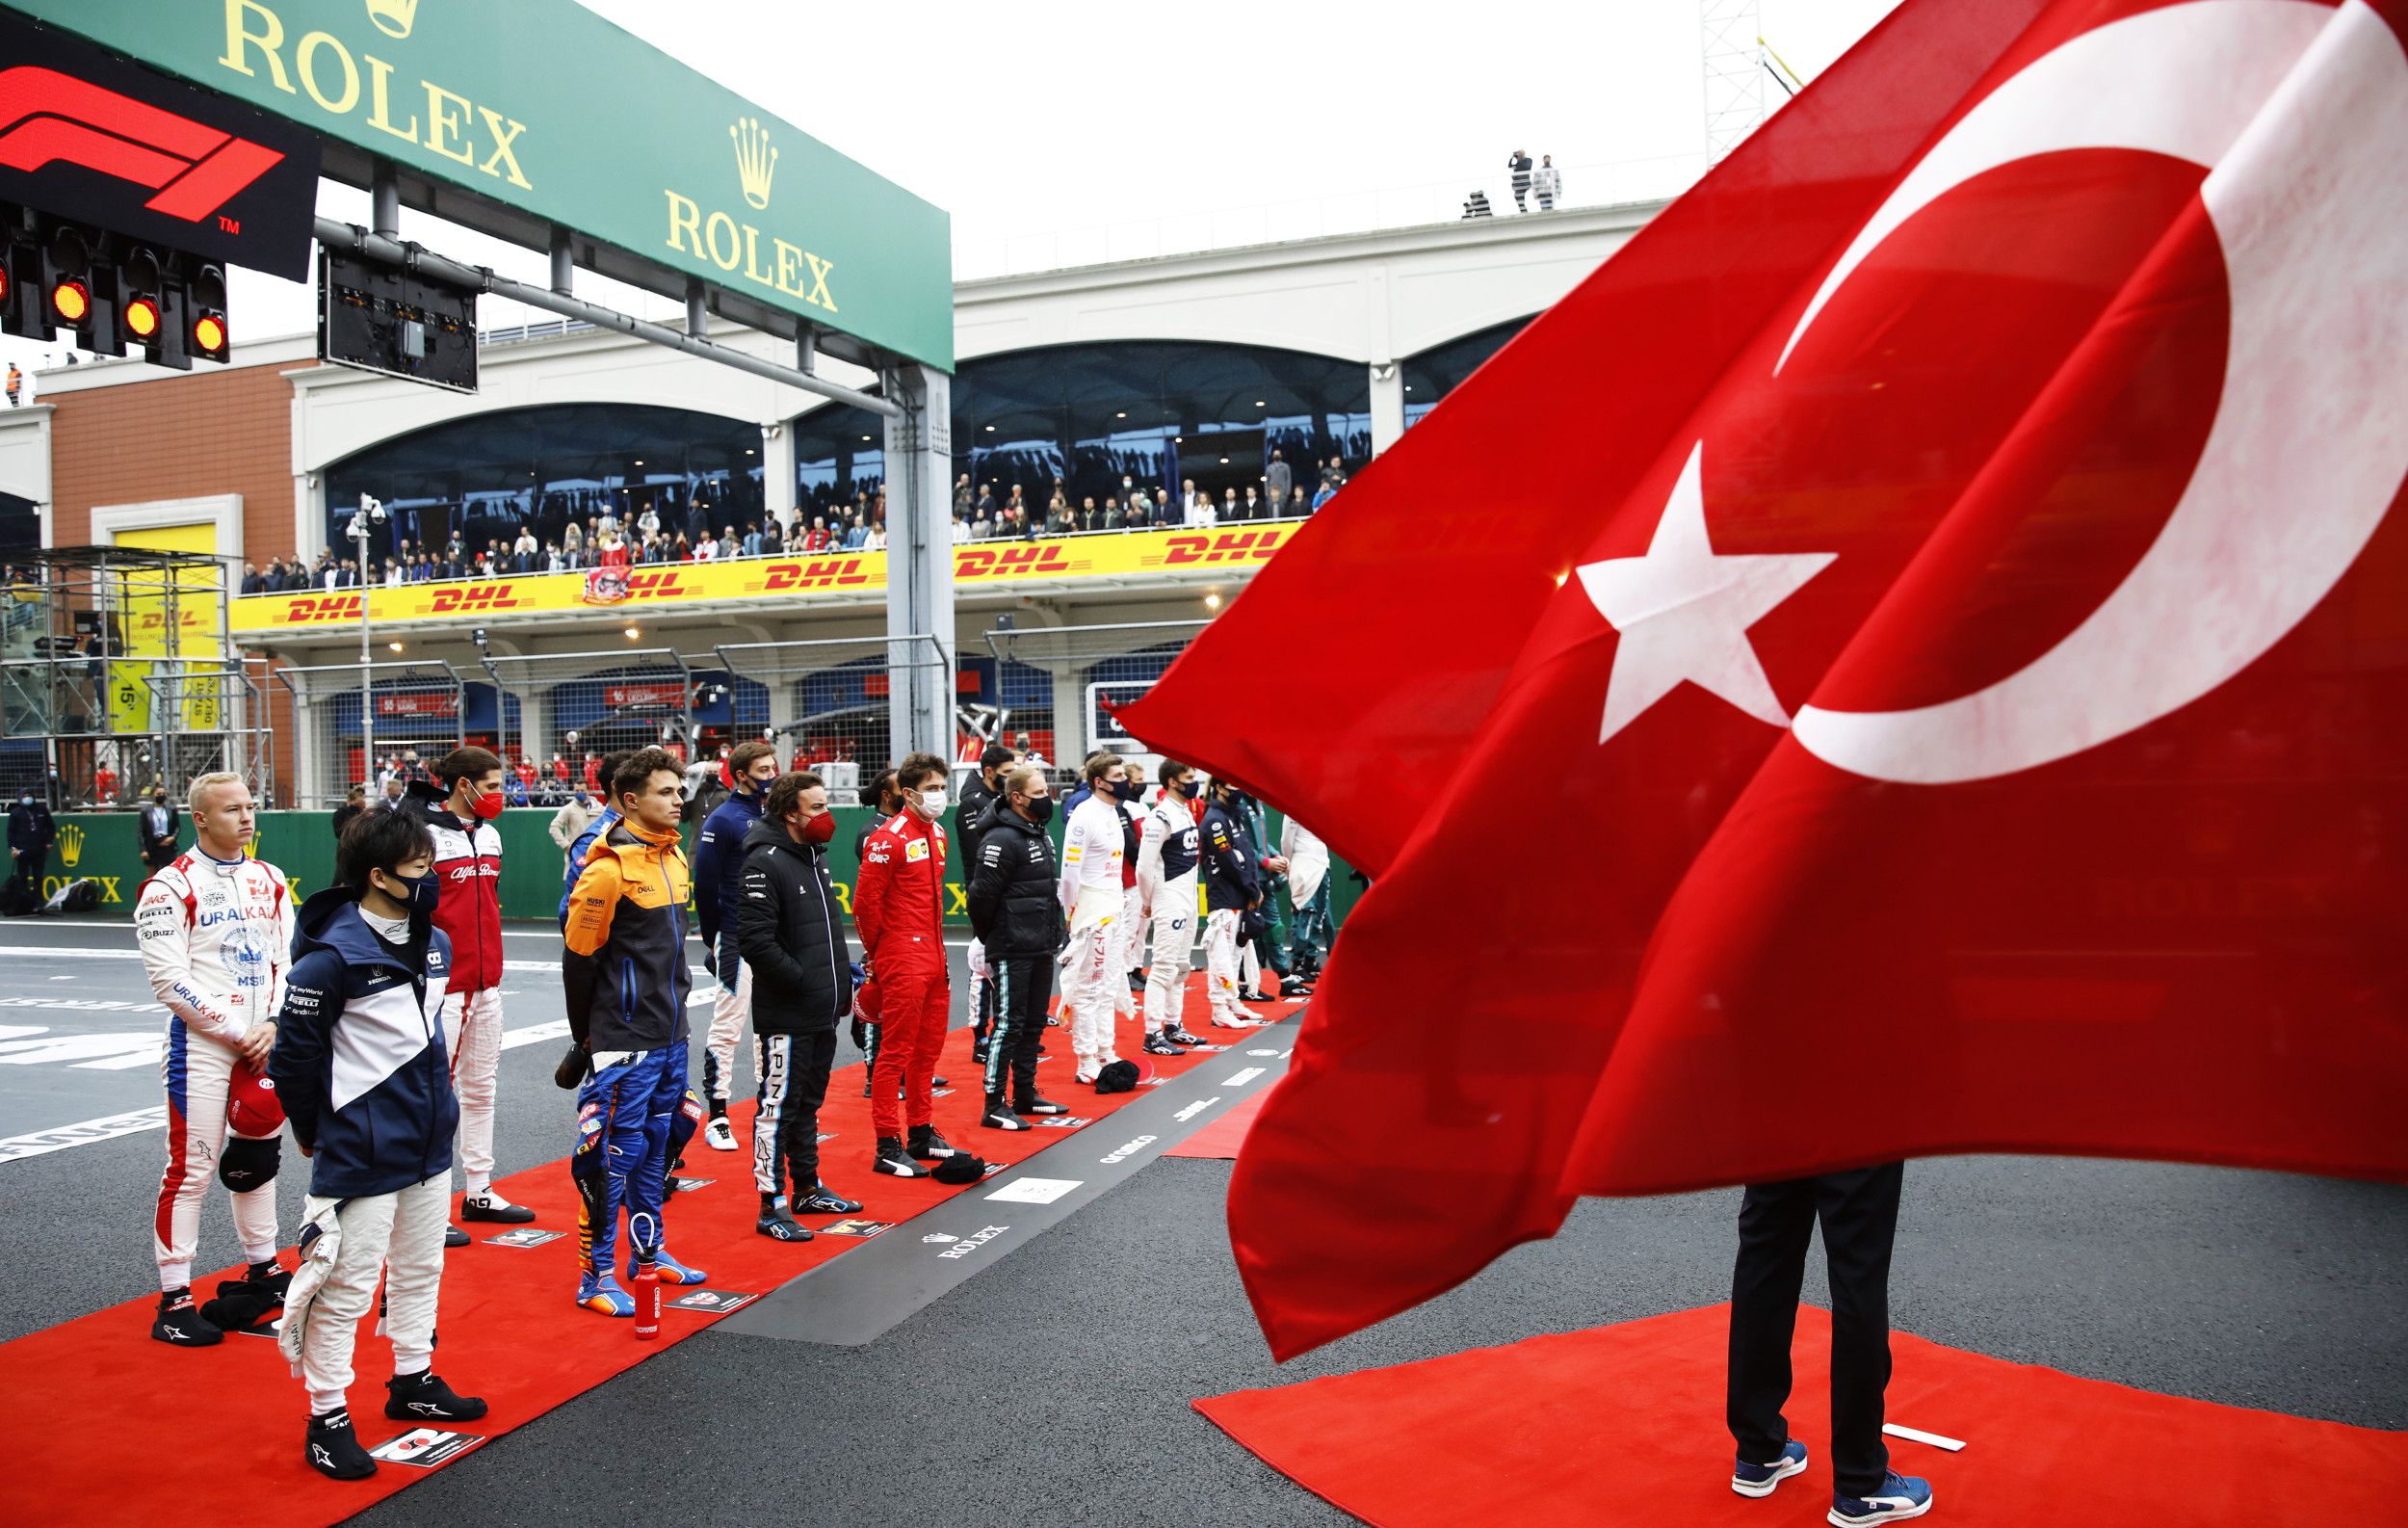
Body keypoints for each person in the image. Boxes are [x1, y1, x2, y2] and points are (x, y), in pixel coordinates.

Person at [274, 806, 486, 1479]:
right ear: (378, 876)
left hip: (427, 1142)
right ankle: (326, 1414)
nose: (433, 879)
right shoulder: (327, 961)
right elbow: (293, 1064)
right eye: (422, 869)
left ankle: (413, 1380)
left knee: (423, 1269)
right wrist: (316, 1133)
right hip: (360, 1151)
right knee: (344, 1286)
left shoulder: (434, 943)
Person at [135, 771, 295, 1347]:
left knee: (259, 1160)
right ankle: (174, 1300)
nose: (246, 817)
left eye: (251, 806)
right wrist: (236, 1030)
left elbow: (286, 962)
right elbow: (168, 981)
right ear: (200, 818)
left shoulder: (270, 878)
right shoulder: (168, 886)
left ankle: (264, 1269)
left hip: (262, 1041)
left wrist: (274, 1023)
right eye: (232, 809)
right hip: (201, 1047)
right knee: (192, 1168)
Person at [561, 749, 710, 1314]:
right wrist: (586, 1039)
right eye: (666, 792)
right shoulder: (604, 870)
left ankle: (647, 1257)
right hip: (624, 1042)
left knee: (657, 1151)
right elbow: (578, 962)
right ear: (630, 801)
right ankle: (594, 1277)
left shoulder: (674, 860)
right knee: (608, 1158)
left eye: (679, 791)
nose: (679, 800)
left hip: (672, 1034)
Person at [1726, 1164, 1930, 1525]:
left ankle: (1758, 1448)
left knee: (1765, 1254)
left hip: (1772, 1111)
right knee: (1858, 1269)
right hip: (1858, 1113)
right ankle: (1860, 1480)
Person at [734, 771, 867, 1239]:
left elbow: (823, 935)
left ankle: (807, 1189)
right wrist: (803, 982)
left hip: (821, 1008)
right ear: (790, 812)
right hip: (788, 1013)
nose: (826, 815)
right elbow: (755, 941)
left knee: (808, 1103)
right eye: (817, 807)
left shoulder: (815, 856)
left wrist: (840, 975)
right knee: (778, 1107)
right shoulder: (763, 862)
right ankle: (770, 1205)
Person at [409, 748, 533, 1239]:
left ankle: (479, 1190)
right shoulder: (425, 834)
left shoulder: (492, 833)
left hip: (488, 982)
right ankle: (428, 1210)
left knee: (481, 1089)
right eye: (495, 784)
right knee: (437, 1095)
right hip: (441, 986)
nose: (501, 794)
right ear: (465, 785)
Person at [851, 751, 958, 1175]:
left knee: (928, 1051)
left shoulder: (938, 834)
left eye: (941, 787)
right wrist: (879, 956)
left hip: (934, 953)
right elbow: (863, 906)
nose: (939, 796)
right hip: (900, 955)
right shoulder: (886, 838)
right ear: (909, 793)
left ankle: (921, 1130)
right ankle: (885, 1142)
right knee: (893, 1053)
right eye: (932, 788)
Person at [965, 763, 1068, 1130]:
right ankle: (993, 1103)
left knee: (1033, 1023)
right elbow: (980, 897)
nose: (1047, 798)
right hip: (1012, 945)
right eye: (1039, 793)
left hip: (1041, 942)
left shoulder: (1038, 832)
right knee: (1008, 1024)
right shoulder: (1000, 839)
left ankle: (1025, 1093)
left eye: (1046, 791)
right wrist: (994, 937)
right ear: (1017, 797)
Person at [694, 740, 780, 1149]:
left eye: (773, 767)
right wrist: (716, 939)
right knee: (728, 1027)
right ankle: (718, 1115)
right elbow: (705, 885)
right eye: (763, 770)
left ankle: (771, 1105)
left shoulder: (777, 815)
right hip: (734, 936)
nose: (772, 775)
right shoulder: (723, 819)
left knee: (772, 1026)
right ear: (741, 775)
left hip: (774, 935)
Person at [1056, 752, 1131, 1082]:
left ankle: (1105, 1051)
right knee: (1088, 988)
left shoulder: (1114, 812)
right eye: (1118, 774)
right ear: (1099, 781)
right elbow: (1069, 872)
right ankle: (1086, 1061)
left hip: (1115, 908)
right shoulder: (1084, 815)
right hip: (1092, 913)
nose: (1125, 779)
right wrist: (1071, 912)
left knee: (1110, 986)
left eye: (1124, 772)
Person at [1137, 760, 1209, 1051]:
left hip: (1189, 899)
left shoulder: (1186, 812)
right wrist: (1149, 901)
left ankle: (1173, 1024)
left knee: (1180, 966)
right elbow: (1144, 867)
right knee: (1163, 968)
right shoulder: (1160, 816)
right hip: (1168, 898)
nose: (1194, 781)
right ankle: (1152, 1034)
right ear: (1172, 781)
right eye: (1189, 776)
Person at [955, 744, 1016, 1060]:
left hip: (1008, 890)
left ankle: (1007, 1030)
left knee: (1007, 964)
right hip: (985, 891)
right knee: (982, 964)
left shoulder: (998, 798)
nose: (1012, 778)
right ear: (990, 772)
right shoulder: (971, 803)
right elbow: (987, 848)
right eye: (1007, 773)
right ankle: (980, 1037)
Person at [1199, 777, 1269, 1027]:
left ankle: (1232, 1001)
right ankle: (1219, 1008)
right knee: (1222, 955)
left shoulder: (1233, 815)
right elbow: (1228, 862)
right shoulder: (1215, 820)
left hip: (1240, 894)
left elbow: (1247, 856)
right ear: (1219, 788)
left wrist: (1253, 888)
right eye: (1233, 786)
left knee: (1236, 951)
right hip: (1224, 896)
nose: (1239, 790)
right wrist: (1251, 889)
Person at [1281, 810, 1334, 986]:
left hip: (1323, 863)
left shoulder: (1318, 805)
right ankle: (1297, 964)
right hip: (1304, 864)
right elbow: (1286, 840)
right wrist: (1289, 865)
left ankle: (1310, 960)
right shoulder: (1291, 809)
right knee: (1306, 913)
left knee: (1319, 915)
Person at [8, 785, 55, 906]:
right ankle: (24, 902)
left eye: (29, 796)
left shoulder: (42, 810)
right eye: (24, 796)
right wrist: (13, 848)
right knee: (22, 877)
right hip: (23, 850)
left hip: (39, 849)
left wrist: (49, 841)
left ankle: (38, 902)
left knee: (38, 877)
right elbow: (10, 831)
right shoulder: (15, 813)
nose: (27, 798)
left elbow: (50, 827)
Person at [550, 783, 602, 876]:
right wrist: (566, 846)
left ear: (588, 791)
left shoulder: (599, 808)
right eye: (577, 791)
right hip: (576, 858)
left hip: (596, 856)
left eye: (582, 791)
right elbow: (554, 827)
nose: (579, 793)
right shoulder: (568, 809)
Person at [135, 786, 178, 878]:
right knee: (152, 876)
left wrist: (173, 837)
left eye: (163, 794)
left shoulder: (172, 809)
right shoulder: (146, 811)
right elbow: (141, 831)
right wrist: (143, 850)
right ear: (152, 795)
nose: (161, 796)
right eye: (158, 794)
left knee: (168, 875)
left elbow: (176, 826)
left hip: (167, 845)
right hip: (152, 845)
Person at [1507, 148, 1533, 212]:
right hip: (1517, 183)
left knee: (1518, 195)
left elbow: (1527, 167)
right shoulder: (1518, 162)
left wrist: (1519, 160)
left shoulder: (1528, 160)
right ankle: (1523, 209)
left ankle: (1523, 210)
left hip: (1524, 182)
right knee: (1518, 196)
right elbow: (1510, 165)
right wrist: (1512, 157)